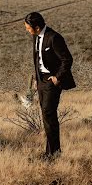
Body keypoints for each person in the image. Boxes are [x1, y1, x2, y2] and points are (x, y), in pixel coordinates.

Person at [24, 11, 75, 159]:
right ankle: (51, 152)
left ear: (37, 27)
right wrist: (36, 78)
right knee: (47, 116)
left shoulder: (54, 38)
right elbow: (38, 59)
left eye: (28, 28)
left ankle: (53, 153)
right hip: (41, 81)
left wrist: (57, 77)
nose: (28, 31)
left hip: (52, 81)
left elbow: (67, 59)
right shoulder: (36, 37)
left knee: (48, 114)